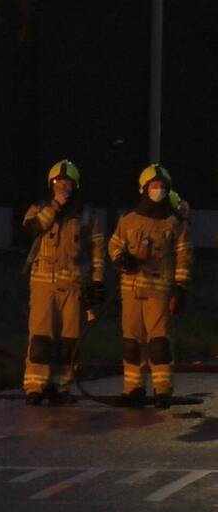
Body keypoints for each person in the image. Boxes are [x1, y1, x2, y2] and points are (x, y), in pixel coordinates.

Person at [108, 164, 194, 409]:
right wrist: (120, 259)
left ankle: (162, 391)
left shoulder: (174, 224)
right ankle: (133, 389)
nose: (158, 191)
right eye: (154, 186)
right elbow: (115, 244)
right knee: (132, 343)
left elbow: (184, 256)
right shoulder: (128, 220)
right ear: (144, 189)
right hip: (131, 291)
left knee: (159, 343)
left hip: (160, 290)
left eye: (162, 187)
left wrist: (180, 287)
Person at [22, 159, 105, 405]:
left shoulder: (88, 214)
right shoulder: (39, 208)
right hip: (43, 286)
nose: (63, 187)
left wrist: (97, 284)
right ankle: (35, 387)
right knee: (40, 339)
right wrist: (55, 206)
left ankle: (60, 387)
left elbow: (98, 252)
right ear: (51, 184)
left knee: (69, 341)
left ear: (76, 185)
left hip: (74, 288)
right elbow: (33, 227)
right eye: (59, 182)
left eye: (68, 183)